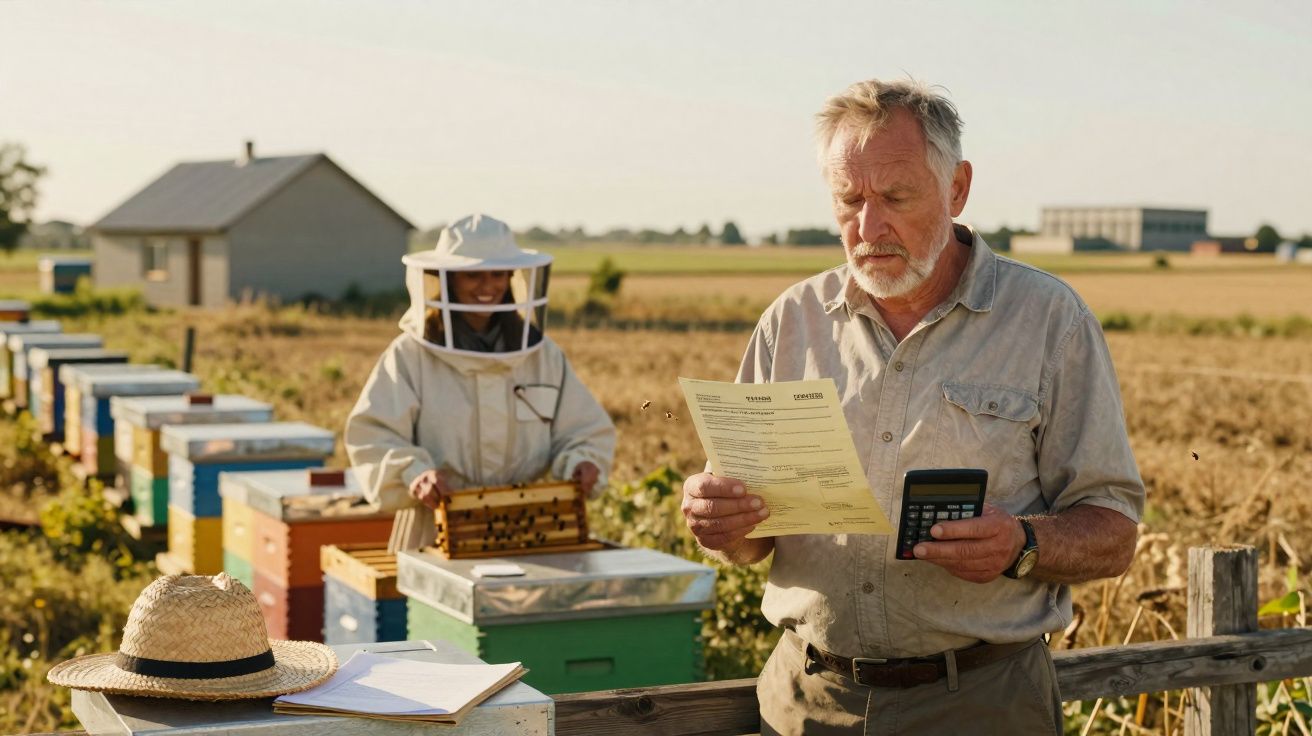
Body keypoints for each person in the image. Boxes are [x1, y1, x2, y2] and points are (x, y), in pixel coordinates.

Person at [680, 79, 1144, 735]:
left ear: (957, 188)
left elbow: (1114, 531)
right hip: (806, 702)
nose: (868, 228)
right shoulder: (791, 323)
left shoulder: (1049, 321)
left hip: (982, 705)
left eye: (896, 198)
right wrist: (724, 525)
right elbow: (751, 542)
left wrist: (1021, 544)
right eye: (849, 201)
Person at [346, 214, 616, 513]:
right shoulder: (410, 355)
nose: (488, 286)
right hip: (436, 519)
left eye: (498, 274)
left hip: (526, 518)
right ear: (449, 278)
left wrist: (582, 461)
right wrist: (415, 473)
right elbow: (374, 437)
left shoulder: (542, 355)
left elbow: (583, 429)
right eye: (473, 275)